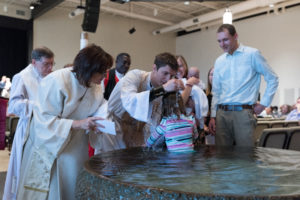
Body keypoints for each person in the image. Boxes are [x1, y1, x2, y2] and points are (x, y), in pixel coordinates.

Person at [16, 44, 112, 200]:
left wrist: (101, 120)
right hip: (50, 142)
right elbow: (44, 120)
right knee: (51, 189)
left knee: (72, 183)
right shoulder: (57, 81)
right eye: (102, 71)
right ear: (89, 68)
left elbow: (99, 105)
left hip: (76, 145)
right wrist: (78, 124)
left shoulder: (95, 85)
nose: (105, 76)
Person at [91, 52, 198, 154]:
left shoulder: (163, 90)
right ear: (154, 68)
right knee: (111, 167)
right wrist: (163, 89)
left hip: (135, 133)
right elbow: (130, 101)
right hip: (114, 128)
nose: (168, 79)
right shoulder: (134, 76)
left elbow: (156, 121)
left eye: (172, 76)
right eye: (165, 73)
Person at [209, 24, 279, 147]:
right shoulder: (219, 61)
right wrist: (213, 116)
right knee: (222, 158)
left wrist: (263, 104)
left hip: (243, 113)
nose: (222, 44)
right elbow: (216, 91)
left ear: (235, 36)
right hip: (221, 114)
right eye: (219, 41)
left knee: (245, 157)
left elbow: (272, 78)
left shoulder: (252, 54)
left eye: (225, 39)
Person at [3, 46, 54, 200]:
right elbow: (13, 106)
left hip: (46, 129)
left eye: (52, 64)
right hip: (28, 130)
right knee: (24, 169)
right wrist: (38, 106)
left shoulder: (49, 76)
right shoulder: (22, 77)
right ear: (34, 62)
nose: (50, 68)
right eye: (46, 64)